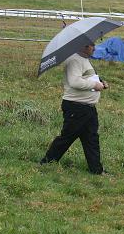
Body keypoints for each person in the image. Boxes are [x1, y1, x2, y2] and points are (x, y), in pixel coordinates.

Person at [41, 43, 107, 175]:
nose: (94, 48)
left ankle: (96, 170)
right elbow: (74, 82)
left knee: (91, 139)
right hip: (76, 107)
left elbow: (86, 78)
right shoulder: (74, 60)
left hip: (88, 108)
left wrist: (101, 83)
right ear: (83, 46)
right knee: (67, 137)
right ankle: (46, 162)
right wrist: (95, 84)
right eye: (91, 46)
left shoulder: (84, 60)